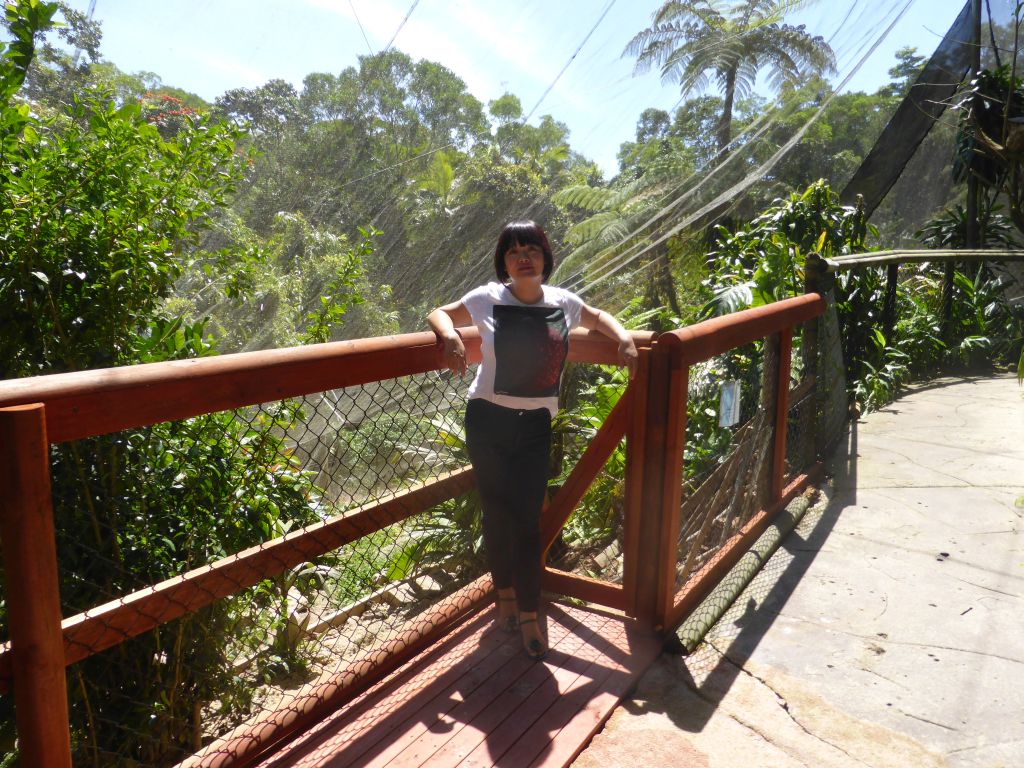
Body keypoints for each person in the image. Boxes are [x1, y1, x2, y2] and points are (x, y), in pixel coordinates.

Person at [427, 220, 638, 660]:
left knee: (526, 520)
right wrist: (449, 337)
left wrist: (624, 340)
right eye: (514, 251)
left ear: (545, 258)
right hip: (487, 420)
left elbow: (598, 317)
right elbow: (441, 312)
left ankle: (528, 612)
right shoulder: (488, 297)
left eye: (532, 250)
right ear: (504, 263)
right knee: (496, 513)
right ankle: (503, 594)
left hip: (535, 426)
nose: (524, 257)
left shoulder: (563, 302)